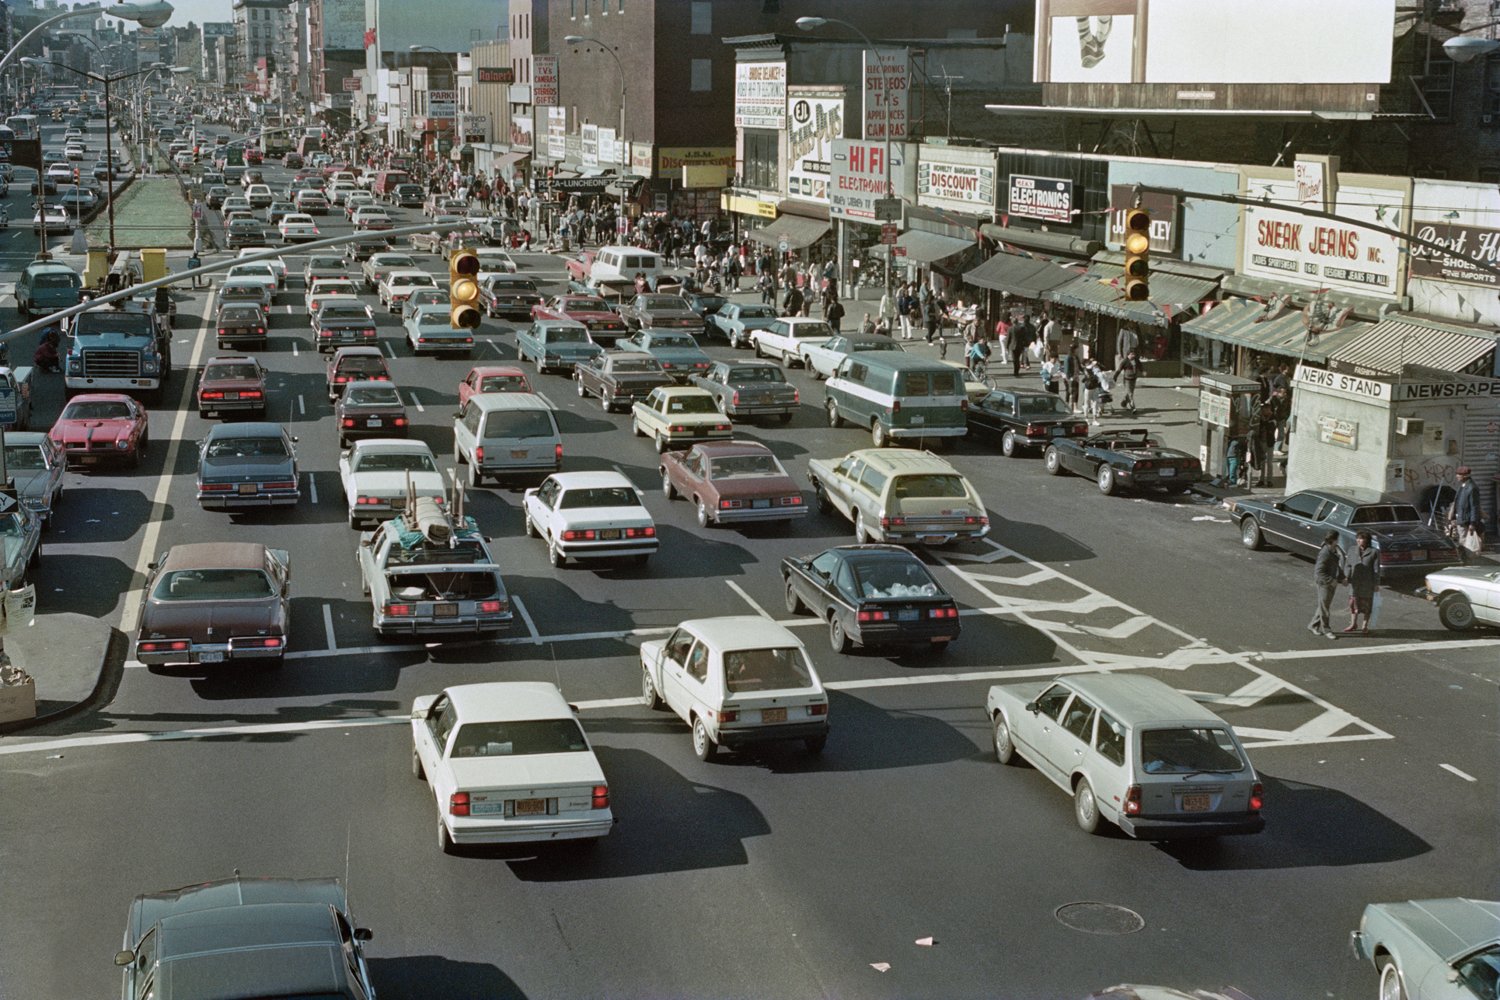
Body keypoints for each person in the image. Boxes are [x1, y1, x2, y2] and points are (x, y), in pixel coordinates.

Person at [1343, 530, 1379, 634]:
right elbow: (1348, 565)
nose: (1359, 540)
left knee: (1367, 605)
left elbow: (1376, 569)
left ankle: (1364, 626)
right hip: (1355, 582)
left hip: (1367, 583)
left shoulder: (1374, 552)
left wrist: (1376, 583)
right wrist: (1346, 577)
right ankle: (1353, 624)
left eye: (1361, 538)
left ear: (1367, 540)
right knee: (1353, 603)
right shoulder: (1352, 550)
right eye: (1357, 538)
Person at [1309, 531, 1343, 638]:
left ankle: (1313, 625)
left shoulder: (1333, 550)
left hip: (1330, 582)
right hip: (1324, 583)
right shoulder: (1325, 553)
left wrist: (1342, 578)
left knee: (1324, 605)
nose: (1339, 541)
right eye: (1337, 539)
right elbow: (1319, 571)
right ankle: (1327, 630)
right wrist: (1331, 580)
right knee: (1324, 607)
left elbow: (1337, 566)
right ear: (1333, 540)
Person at [1454, 466, 1484, 551]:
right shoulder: (1463, 486)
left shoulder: (1471, 488)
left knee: (1465, 542)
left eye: (1459, 474)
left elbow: (1474, 506)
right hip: (1461, 519)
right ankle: (1465, 558)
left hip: (1466, 521)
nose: (1457, 476)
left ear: (1465, 476)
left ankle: (1467, 559)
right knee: (1462, 541)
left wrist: (1472, 523)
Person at [1249, 401, 1278, 487]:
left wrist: (1264, 420)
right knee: (1261, 461)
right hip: (1261, 441)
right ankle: (1261, 479)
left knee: (1269, 462)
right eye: (1262, 410)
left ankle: (1269, 480)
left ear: (1268, 410)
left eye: (1265, 410)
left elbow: (1271, 427)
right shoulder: (1260, 418)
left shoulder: (1273, 418)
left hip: (1269, 442)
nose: (1263, 411)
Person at [1112, 350, 1141, 415]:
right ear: (1128, 355)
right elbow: (1119, 370)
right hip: (1127, 379)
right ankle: (1133, 408)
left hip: (1133, 379)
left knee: (1130, 393)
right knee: (1130, 394)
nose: (1133, 355)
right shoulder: (1125, 361)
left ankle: (1124, 402)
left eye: (1134, 354)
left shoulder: (1136, 360)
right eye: (1131, 354)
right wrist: (1115, 377)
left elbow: (1140, 366)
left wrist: (1143, 371)